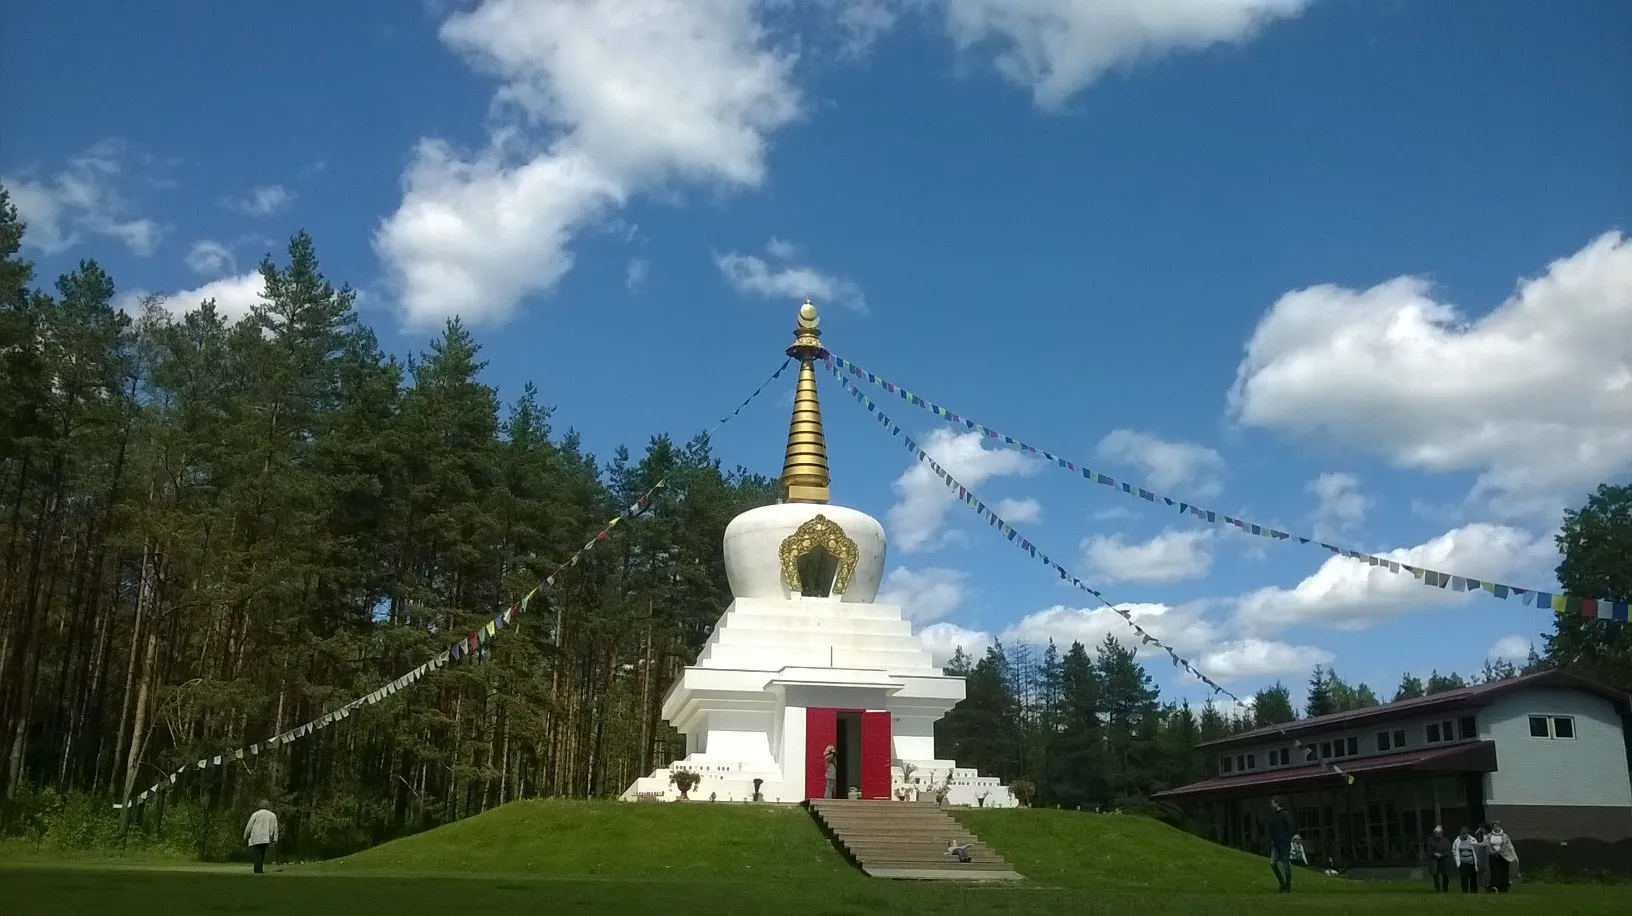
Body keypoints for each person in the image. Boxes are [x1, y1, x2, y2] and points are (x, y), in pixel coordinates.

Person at [1267, 797, 1296, 893]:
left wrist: (1288, 838)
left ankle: (1287, 887)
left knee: (1285, 864)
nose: (1271, 805)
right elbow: (1271, 828)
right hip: (1276, 843)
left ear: (1277, 803)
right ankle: (1282, 883)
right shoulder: (1273, 816)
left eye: (1272, 803)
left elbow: (1290, 827)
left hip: (1284, 844)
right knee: (1273, 864)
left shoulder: (1285, 814)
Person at [243, 800, 279, 874]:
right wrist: (275, 838)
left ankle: (258, 870)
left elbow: (249, 826)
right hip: (266, 837)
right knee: (262, 853)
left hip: (256, 837)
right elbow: (275, 828)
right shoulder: (272, 815)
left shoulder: (255, 814)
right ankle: (259, 869)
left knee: (257, 853)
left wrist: (245, 836)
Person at [1485, 821, 1518, 893]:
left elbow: (1509, 846)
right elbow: (1487, 846)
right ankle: (1494, 887)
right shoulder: (1489, 836)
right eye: (1494, 826)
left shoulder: (1505, 836)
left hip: (1504, 857)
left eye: (1497, 826)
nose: (1496, 827)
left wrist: (1512, 855)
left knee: (1504, 872)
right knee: (1495, 872)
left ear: (1500, 827)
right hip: (1494, 857)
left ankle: (1503, 888)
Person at [1451, 825, 1481, 893]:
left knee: (1473, 878)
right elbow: (1454, 850)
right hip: (1463, 863)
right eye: (1462, 833)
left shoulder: (1473, 840)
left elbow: (1477, 850)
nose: (1463, 835)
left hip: (1472, 863)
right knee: (1464, 878)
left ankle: (1474, 892)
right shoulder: (1457, 841)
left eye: (1465, 833)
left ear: (1467, 833)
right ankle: (1465, 891)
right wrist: (1456, 859)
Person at [1426, 825, 1452, 892]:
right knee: (1435, 875)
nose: (1438, 834)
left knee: (1445, 875)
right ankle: (1437, 890)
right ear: (1434, 833)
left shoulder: (1446, 840)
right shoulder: (1430, 840)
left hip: (1444, 859)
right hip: (1434, 859)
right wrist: (1434, 854)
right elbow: (1429, 850)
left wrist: (1441, 855)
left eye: (1439, 833)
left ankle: (1445, 889)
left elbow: (1448, 851)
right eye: (1437, 833)